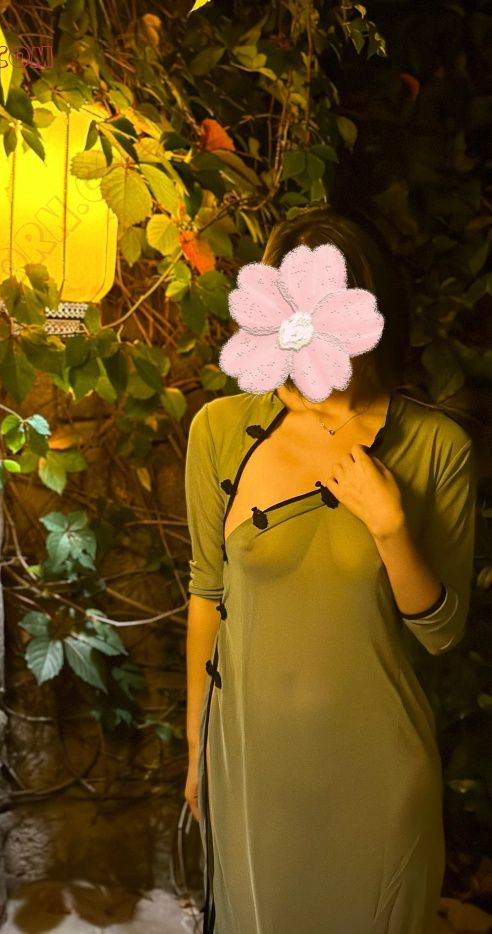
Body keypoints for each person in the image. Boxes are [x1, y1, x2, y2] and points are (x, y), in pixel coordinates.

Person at [183, 205, 477, 934]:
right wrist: (196, 750)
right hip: (255, 771)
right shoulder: (221, 432)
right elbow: (207, 594)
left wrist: (391, 527)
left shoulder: (436, 446)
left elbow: (442, 632)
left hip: (380, 778)